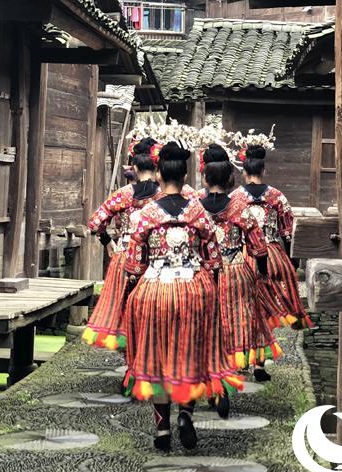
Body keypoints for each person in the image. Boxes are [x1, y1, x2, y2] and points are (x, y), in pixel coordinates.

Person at [121, 142, 243, 451]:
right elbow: (214, 259)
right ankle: (186, 415)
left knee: (156, 358)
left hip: (155, 290)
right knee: (190, 353)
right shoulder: (197, 212)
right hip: (192, 290)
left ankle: (162, 430)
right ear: (186, 174)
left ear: (160, 173)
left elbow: (134, 264)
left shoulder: (146, 214)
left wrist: (128, 293)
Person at [199, 145, 282, 401]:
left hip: (203, 275)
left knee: (206, 327)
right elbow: (259, 247)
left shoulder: (195, 210)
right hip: (236, 272)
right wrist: (263, 273)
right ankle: (229, 374)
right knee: (234, 325)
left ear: (204, 178)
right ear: (229, 179)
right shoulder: (239, 209)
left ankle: (211, 381)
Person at [82, 137, 162, 351]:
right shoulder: (162, 196)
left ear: (134, 167)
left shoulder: (124, 195)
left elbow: (95, 221)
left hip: (125, 254)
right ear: (156, 165)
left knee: (124, 306)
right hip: (154, 259)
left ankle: (130, 355)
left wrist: (107, 241)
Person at [229, 145, 313, 330]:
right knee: (278, 286)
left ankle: (251, 330)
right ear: (263, 170)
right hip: (273, 252)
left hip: (244, 254)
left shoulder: (234, 198)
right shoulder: (277, 196)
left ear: (244, 172)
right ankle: (279, 321)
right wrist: (292, 261)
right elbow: (288, 233)